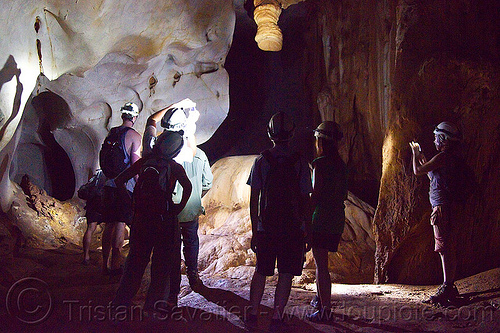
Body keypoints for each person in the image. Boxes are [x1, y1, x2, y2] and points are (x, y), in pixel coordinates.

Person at [246, 112, 312, 331]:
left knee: (261, 271)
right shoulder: (300, 162)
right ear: (292, 134)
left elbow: (254, 199)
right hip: (292, 228)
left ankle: (253, 313)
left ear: (270, 134)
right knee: (285, 273)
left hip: (267, 227)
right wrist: (306, 229)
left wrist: (256, 230)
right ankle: (276, 316)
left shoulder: (261, 161)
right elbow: (305, 198)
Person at [112, 130, 192, 313]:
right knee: (161, 266)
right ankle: (153, 307)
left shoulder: (144, 163)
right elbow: (188, 186)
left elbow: (119, 180)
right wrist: (177, 208)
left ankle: (120, 304)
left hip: (141, 220)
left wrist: (131, 202)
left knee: (135, 263)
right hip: (164, 221)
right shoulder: (174, 166)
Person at [410, 121, 463, 305]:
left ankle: (447, 287)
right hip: (449, 207)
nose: (434, 141)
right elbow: (431, 174)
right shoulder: (450, 158)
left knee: (444, 249)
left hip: (441, 208)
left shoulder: (443, 157)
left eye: (436, 138)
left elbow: (417, 171)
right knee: (448, 247)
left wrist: (415, 155)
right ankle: (449, 285)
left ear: (444, 140)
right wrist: (424, 158)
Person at [307, 121, 347, 322]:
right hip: (337, 218)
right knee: (323, 263)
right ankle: (319, 297)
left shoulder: (319, 164)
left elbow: (316, 194)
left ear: (321, 141)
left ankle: (325, 310)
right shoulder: (341, 165)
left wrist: (306, 220)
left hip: (321, 219)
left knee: (321, 265)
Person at [101, 102, 142, 276]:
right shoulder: (134, 136)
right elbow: (135, 164)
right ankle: (116, 265)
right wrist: (140, 184)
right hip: (123, 186)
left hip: (108, 184)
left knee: (109, 224)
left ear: (122, 115)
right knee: (120, 222)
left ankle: (104, 264)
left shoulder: (112, 133)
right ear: (134, 117)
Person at [172, 143, 213, 290]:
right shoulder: (200, 154)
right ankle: (193, 274)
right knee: (191, 242)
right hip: (190, 209)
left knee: (172, 244)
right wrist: (196, 196)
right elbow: (208, 182)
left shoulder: (168, 151)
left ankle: (173, 279)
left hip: (172, 209)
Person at [79, 170, 106, 265]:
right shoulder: (112, 173)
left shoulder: (98, 174)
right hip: (103, 204)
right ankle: (106, 258)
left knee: (90, 229)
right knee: (110, 229)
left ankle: (86, 256)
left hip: (92, 203)